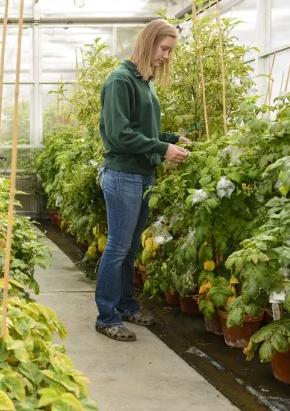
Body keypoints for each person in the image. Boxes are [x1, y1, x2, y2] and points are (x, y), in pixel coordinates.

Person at [95, 19, 191, 342]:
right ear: (149, 43)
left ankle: (124, 305)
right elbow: (120, 136)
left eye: (170, 51)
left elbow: (143, 132)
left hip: (141, 175)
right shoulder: (120, 81)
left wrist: (171, 138)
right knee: (118, 247)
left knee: (130, 247)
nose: (166, 56)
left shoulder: (144, 82)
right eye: (164, 49)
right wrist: (162, 148)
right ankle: (106, 316)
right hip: (122, 175)